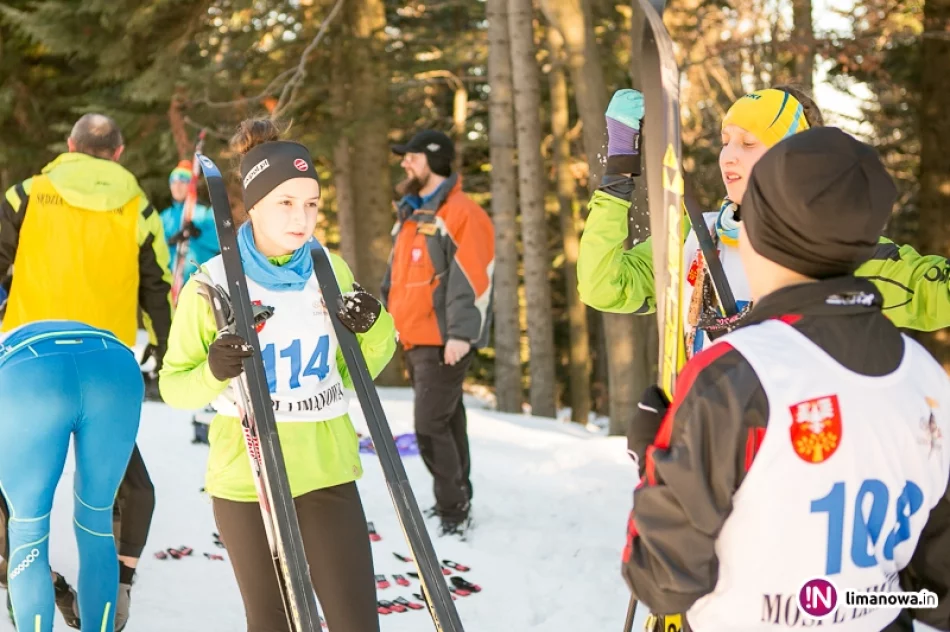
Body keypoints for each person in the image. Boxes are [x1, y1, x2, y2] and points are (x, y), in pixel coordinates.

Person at [622, 127, 950, 632]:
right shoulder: (925, 376)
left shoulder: (736, 374)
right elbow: (937, 586)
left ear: (759, 231)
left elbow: (662, 579)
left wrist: (654, 461)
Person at [159, 118, 396, 632]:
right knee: (274, 624)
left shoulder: (328, 269)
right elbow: (173, 385)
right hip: (247, 479)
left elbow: (357, 371)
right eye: (285, 203)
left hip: (326, 471)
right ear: (253, 205)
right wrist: (215, 370)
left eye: (310, 203)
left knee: (357, 622)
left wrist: (374, 327)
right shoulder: (213, 283)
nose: (301, 217)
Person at [577, 86, 950, 358]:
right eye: (726, 140)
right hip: (703, 451)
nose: (728, 157)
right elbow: (603, 286)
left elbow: (937, 296)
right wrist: (618, 174)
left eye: (749, 144)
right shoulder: (695, 233)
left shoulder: (842, 252)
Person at [0, 113, 167, 630]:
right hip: (110, 370)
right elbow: (158, 285)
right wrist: (162, 350)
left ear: (70, 146)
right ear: (117, 154)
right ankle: (111, 604)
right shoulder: (139, 206)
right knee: (98, 517)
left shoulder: (28, 193)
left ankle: (25, 582)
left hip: (31, 366)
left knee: (26, 521)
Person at [382, 129, 495, 538]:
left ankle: (452, 511)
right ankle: (458, 500)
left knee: (430, 426)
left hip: (443, 340)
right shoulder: (414, 214)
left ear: (433, 159)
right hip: (415, 339)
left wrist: (462, 334)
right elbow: (396, 277)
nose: (404, 164)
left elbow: (473, 277)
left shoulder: (462, 213)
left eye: (411, 157)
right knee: (447, 422)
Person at [0, 321, 144, 632]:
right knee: (96, 520)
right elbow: (143, 492)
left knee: (27, 531)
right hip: (113, 363)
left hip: (28, 370)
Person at [161, 159, 219, 283]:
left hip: (201, 281)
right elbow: (154, 248)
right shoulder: (165, 216)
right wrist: (170, 241)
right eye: (173, 182)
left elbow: (220, 242)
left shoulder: (204, 212)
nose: (177, 186)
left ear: (191, 186)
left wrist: (198, 233)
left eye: (182, 182)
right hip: (173, 284)